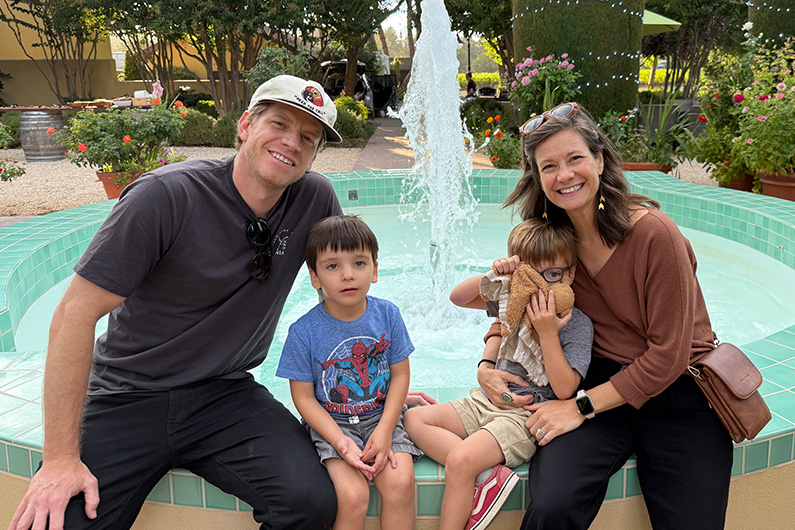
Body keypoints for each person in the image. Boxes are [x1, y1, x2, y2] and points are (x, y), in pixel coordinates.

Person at [8, 75, 345, 530]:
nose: (291, 143)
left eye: (308, 138)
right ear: (246, 125)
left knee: (312, 502)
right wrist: (59, 459)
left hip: (226, 393)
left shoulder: (314, 199)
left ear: (314, 154)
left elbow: (340, 297)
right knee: (62, 521)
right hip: (128, 393)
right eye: (279, 124)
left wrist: (379, 384)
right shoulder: (166, 195)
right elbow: (74, 314)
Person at [478, 102, 733, 529]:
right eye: (549, 166)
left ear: (599, 159)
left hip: (677, 394)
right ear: (537, 177)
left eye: (575, 158)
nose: (564, 175)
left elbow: (668, 355)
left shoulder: (655, 234)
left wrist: (579, 408)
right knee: (552, 507)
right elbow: (514, 305)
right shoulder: (552, 242)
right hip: (597, 384)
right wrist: (487, 366)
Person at [404, 219, 592, 530]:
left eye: (553, 275)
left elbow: (564, 390)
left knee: (460, 461)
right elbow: (457, 297)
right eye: (531, 275)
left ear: (570, 274)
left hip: (522, 417)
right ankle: (487, 477)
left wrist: (548, 333)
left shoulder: (577, 324)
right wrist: (496, 274)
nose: (541, 287)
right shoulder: (512, 304)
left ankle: (472, 472)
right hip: (485, 401)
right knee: (413, 419)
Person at [277, 214, 421, 530]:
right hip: (333, 425)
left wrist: (385, 431)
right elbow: (304, 399)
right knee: (353, 496)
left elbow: (399, 375)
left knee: (400, 484)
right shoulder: (303, 332)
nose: (348, 275)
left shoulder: (388, 315)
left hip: (382, 418)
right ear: (314, 277)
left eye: (359, 263)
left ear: (375, 270)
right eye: (332, 266)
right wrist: (340, 441)